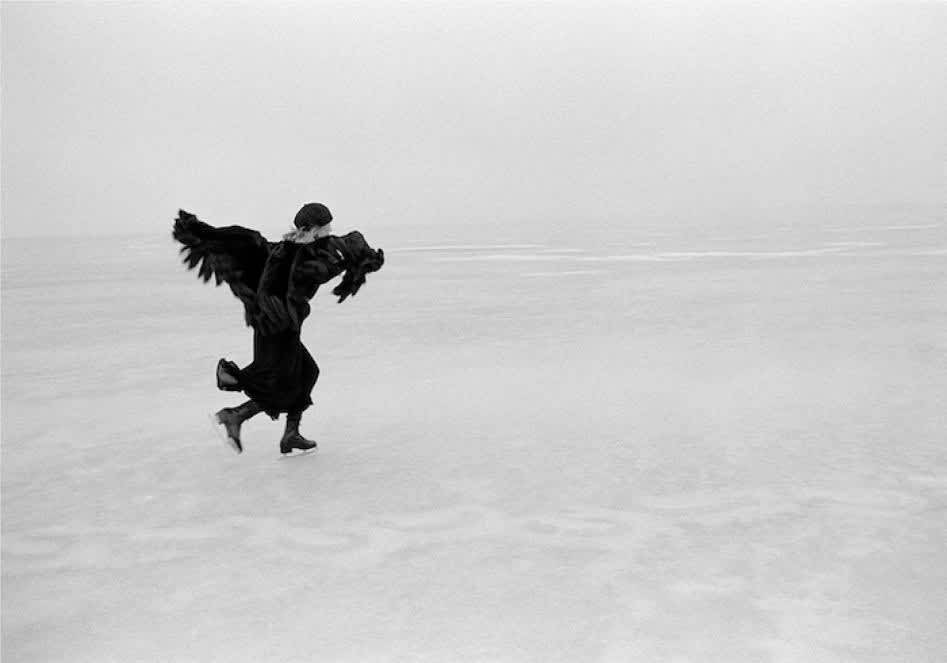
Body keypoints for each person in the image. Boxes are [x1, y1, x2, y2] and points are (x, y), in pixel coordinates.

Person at [172, 203, 385, 454]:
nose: (330, 232)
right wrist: (350, 259)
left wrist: (351, 254)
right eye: (326, 228)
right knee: (278, 384)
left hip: (278, 324)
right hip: (275, 326)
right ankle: (234, 412)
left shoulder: (285, 249)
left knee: (307, 372)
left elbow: (328, 252)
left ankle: (290, 434)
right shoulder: (298, 255)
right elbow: (319, 270)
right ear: (313, 229)